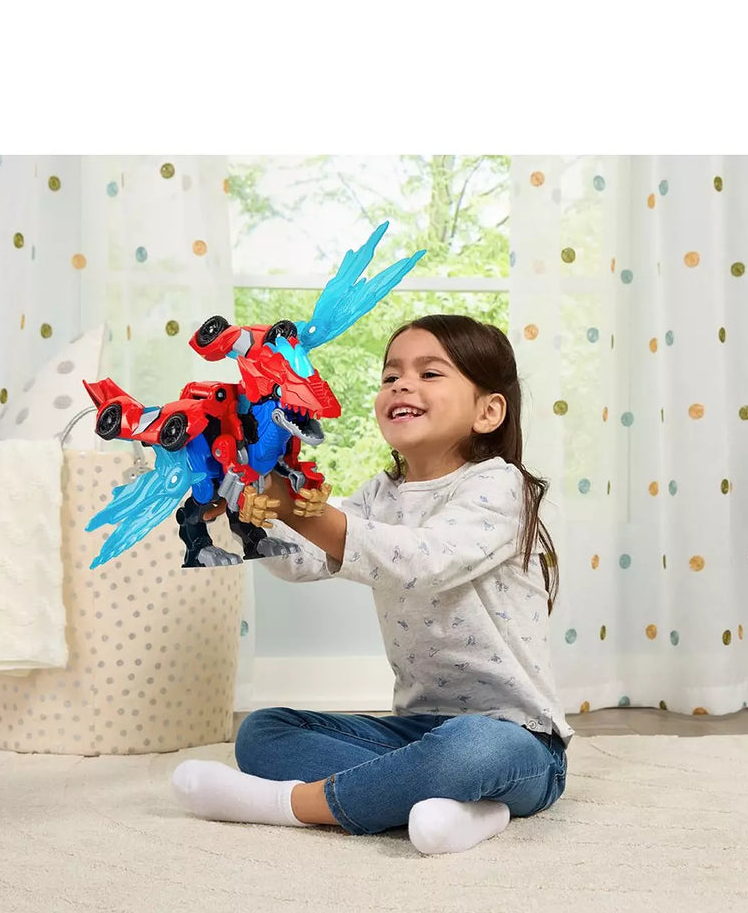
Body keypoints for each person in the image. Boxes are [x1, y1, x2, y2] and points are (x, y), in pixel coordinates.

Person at [171, 314, 572, 855]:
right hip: (415, 730)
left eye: (430, 373)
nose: (402, 385)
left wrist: (295, 506)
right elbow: (305, 561)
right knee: (263, 733)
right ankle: (463, 809)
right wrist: (247, 511)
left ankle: (290, 806)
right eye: (391, 377)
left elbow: (419, 561)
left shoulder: (502, 487)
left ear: (488, 411)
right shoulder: (380, 493)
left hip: (519, 737)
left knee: (472, 750)